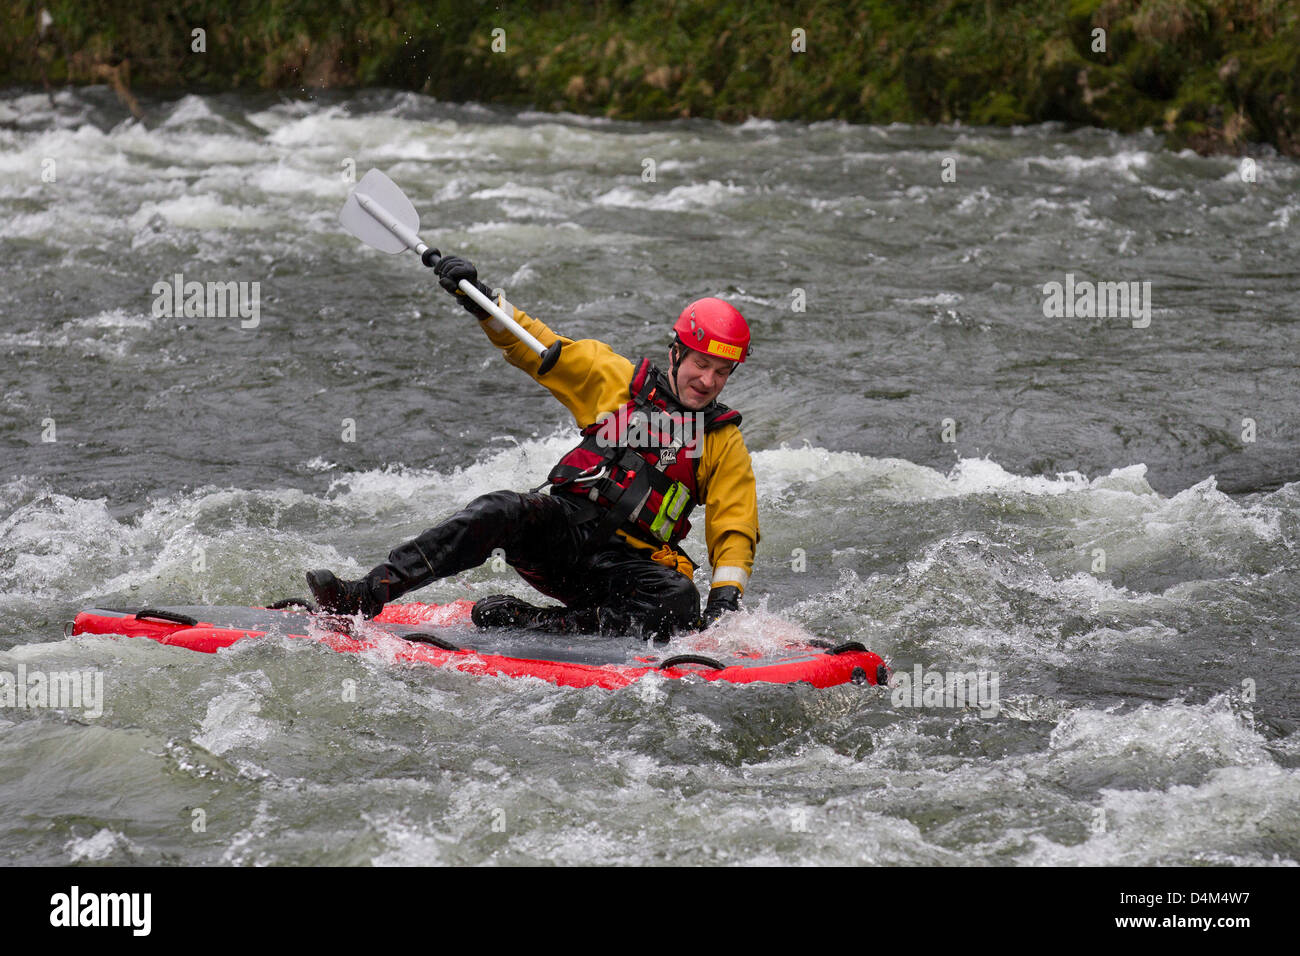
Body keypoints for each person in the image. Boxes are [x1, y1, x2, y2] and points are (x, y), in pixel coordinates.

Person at [305, 256, 759, 639]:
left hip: (629, 572)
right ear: (676, 352)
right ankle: (363, 596)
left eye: (722, 372)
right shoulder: (613, 378)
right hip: (564, 541)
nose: (708, 381)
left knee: (679, 599)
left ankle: (539, 622)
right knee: (499, 509)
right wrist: (480, 300)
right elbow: (534, 345)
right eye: (701, 364)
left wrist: (724, 604)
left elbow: (735, 527)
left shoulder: (721, 440)